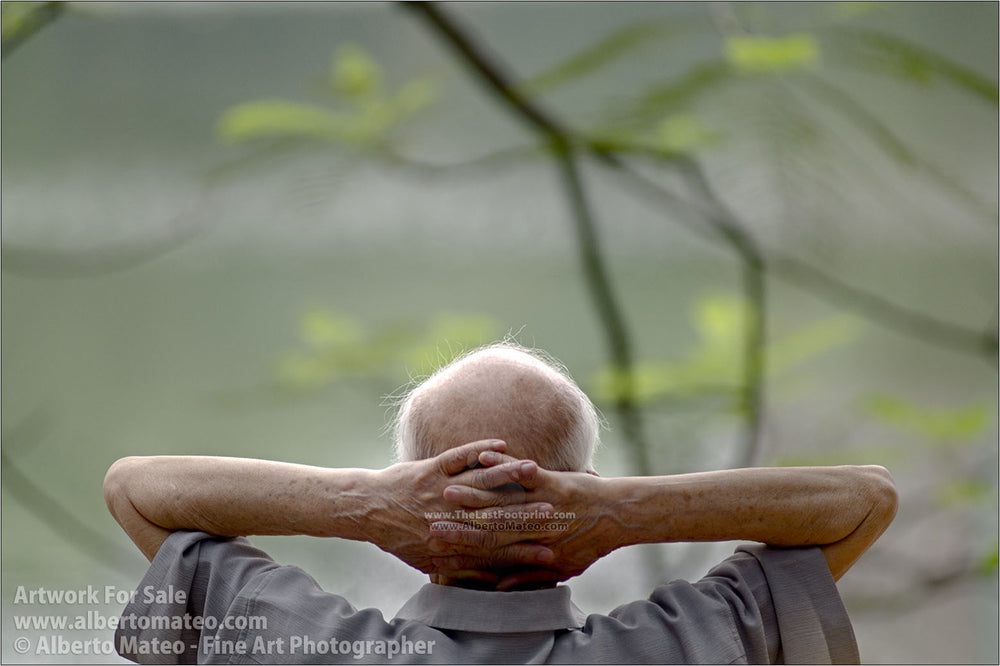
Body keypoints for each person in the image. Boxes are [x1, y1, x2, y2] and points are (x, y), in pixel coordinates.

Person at [104, 343, 898, 664]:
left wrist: (364, 505)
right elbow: (863, 500)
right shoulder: (686, 645)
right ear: (581, 477)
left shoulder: (304, 642)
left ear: (411, 481)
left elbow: (135, 490)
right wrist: (620, 514)